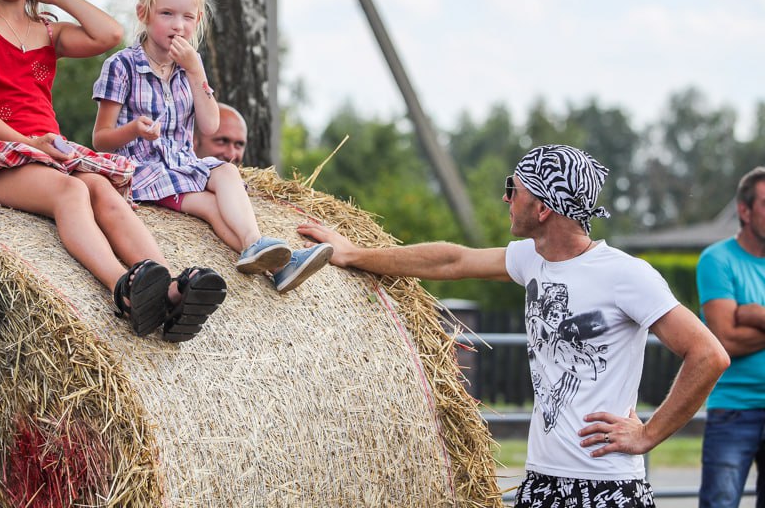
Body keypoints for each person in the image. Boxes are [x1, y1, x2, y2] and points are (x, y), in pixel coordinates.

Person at [298, 144, 729, 508]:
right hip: (541, 481)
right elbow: (453, 259)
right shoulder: (531, 259)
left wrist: (648, 434)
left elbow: (709, 354)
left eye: (514, 190)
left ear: (542, 208)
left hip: (607, 486)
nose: (506, 198)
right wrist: (354, 254)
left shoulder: (626, 275)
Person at [0, 0, 225, 343]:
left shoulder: (47, 31)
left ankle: (167, 287)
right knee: (73, 191)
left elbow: (108, 34)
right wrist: (27, 143)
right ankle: (124, 288)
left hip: (48, 151)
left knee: (101, 189)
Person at [92, 0, 332, 293]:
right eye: (166, 14)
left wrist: (195, 71)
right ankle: (274, 261)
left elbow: (209, 125)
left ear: (198, 19)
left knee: (227, 173)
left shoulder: (187, 69)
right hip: (144, 172)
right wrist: (134, 129)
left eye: (187, 17)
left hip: (183, 168)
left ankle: (258, 247)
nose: (178, 25)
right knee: (208, 204)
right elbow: (100, 139)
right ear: (143, 13)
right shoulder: (121, 67)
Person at [696, 166, 765, 508]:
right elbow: (726, 339)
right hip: (734, 409)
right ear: (745, 210)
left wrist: (754, 314)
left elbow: (741, 332)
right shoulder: (717, 259)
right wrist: (741, 322)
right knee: (719, 503)